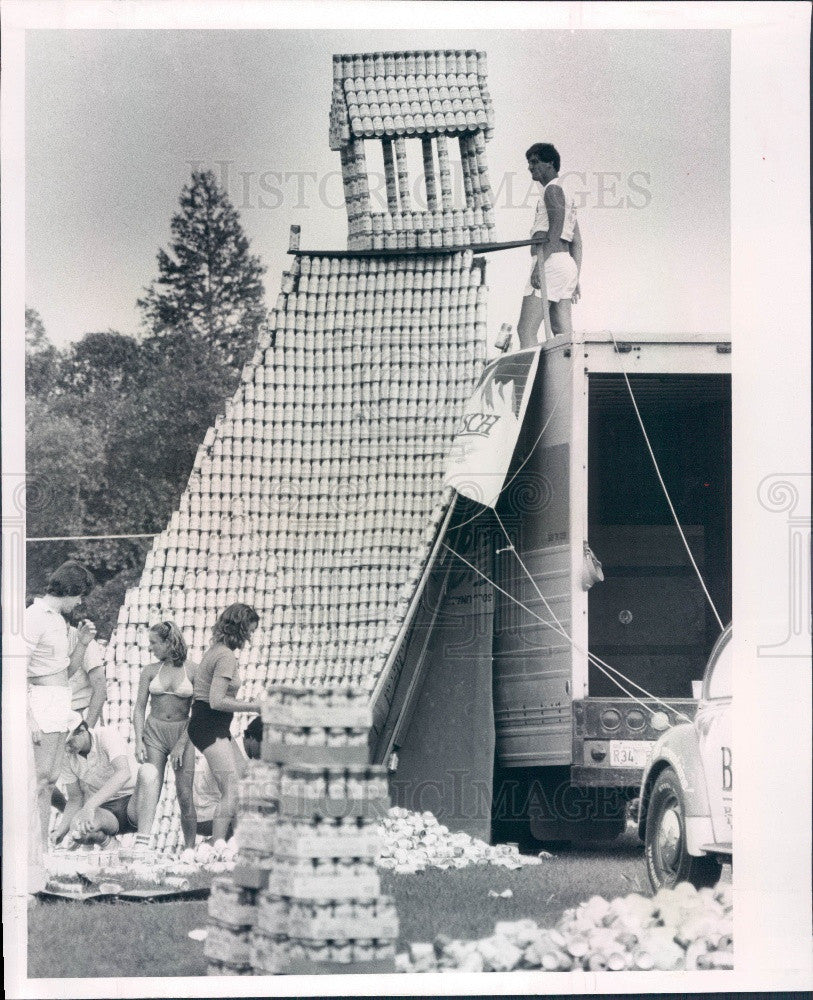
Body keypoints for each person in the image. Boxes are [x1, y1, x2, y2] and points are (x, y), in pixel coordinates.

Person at [25, 560, 95, 842]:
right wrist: (27, 715)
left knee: (51, 779)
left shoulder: (58, 620)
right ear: (69, 590)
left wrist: (84, 643)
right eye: (79, 596)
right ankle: (33, 848)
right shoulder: (34, 615)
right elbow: (17, 668)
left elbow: (65, 671)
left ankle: (41, 847)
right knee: (39, 780)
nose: (79, 602)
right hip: (40, 702)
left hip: (59, 700)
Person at [187, 604, 261, 842]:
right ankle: (219, 846)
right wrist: (255, 706)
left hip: (215, 726)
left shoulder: (216, 650)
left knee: (242, 779)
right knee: (232, 788)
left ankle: (239, 841)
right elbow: (216, 701)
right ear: (239, 629)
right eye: (248, 632)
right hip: (209, 725)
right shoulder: (225, 656)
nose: (249, 638)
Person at [132, 621, 197, 848]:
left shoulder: (193, 670)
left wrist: (181, 744)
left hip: (183, 732)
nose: (150, 647)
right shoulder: (150, 671)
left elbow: (198, 713)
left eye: (154, 643)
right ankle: (142, 843)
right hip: (155, 731)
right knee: (151, 786)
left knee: (185, 795)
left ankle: (190, 848)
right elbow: (139, 707)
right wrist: (139, 739)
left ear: (169, 643)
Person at [53, 716, 162, 850]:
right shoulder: (67, 757)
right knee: (77, 828)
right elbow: (75, 798)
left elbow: (123, 773)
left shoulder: (106, 734)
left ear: (82, 730)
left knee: (149, 771)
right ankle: (111, 845)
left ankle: (142, 846)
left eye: (69, 742)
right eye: (64, 744)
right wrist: (61, 831)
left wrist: (89, 806)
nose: (67, 748)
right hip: (105, 811)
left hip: (133, 804)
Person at [516, 142, 582, 347]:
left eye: (535, 162)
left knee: (526, 330)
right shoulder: (565, 193)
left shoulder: (552, 190)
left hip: (550, 262)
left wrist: (539, 266)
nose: (530, 167)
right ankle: (568, 378)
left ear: (550, 163)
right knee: (562, 333)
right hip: (565, 264)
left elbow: (554, 230)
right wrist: (575, 276)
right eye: (529, 163)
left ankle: (535, 380)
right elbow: (577, 242)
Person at [193, 716, 262, 839]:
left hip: (215, 810)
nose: (263, 753)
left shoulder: (241, 751)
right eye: (261, 746)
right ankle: (218, 846)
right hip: (202, 814)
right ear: (251, 737)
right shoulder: (233, 753)